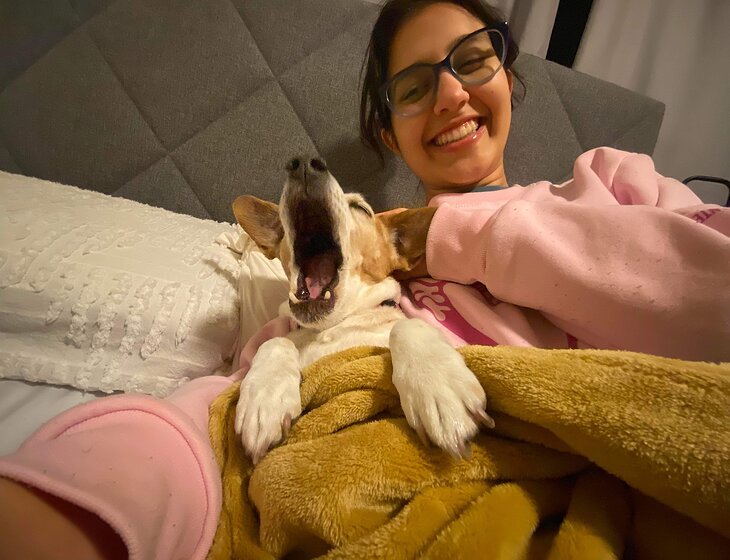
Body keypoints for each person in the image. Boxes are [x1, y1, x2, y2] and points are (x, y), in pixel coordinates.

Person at [1, 1, 728, 559]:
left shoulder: (610, 181)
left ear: (509, 76)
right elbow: (214, 419)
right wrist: (95, 490)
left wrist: (456, 234)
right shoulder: (367, 287)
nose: (450, 95)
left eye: (474, 60)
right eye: (414, 87)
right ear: (388, 129)